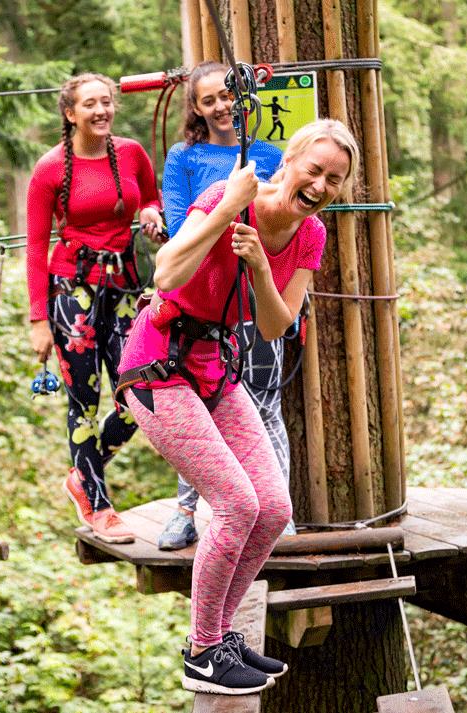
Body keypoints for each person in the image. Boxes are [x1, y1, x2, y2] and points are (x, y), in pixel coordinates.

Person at [118, 120, 359, 694]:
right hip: (159, 365)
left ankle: (220, 635)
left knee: (273, 507)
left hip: (215, 368)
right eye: (314, 169)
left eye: (334, 179)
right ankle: (203, 651)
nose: (320, 184)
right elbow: (168, 273)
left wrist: (257, 267)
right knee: (234, 501)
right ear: (290, 160)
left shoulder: (310, 236)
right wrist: (228, 209)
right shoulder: (226, 197)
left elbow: (276, 324)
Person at [157, 62, 293, 551]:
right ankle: (186, 510)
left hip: (255, 289)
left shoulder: (268, 155)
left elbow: (282, 220)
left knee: (266, 400)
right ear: (196, 107)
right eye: (210, 99)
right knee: (201, 402)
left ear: (247, 98)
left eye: (229, 96)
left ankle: (279, 512)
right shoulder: (185, 157)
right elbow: (178, 223)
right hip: (203, 294)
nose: (221, 107)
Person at [25, 72, 165, 543]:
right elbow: (34, 246)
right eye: (90, 104)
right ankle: (100, 508)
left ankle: (84, 472)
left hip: (124, 284)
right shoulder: (49, 170)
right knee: (83, 402)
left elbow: (151, 196)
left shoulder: (130, 154)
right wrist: (39, 319)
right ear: (70, 114)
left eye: (106, 102)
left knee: (140, 394)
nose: (102, 110)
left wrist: (149, 211)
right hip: (71, 290)